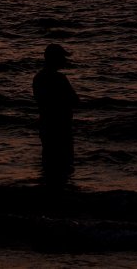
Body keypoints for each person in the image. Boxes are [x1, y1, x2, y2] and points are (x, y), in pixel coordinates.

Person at [32, 43, 79, 182]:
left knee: (48, 161)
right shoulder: (60, 79)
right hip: (61, 127)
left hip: (45, 125)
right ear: (55, 59)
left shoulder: (38, 77)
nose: (64, 60)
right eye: (62, 57)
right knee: (65, 164)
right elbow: (75, 100)